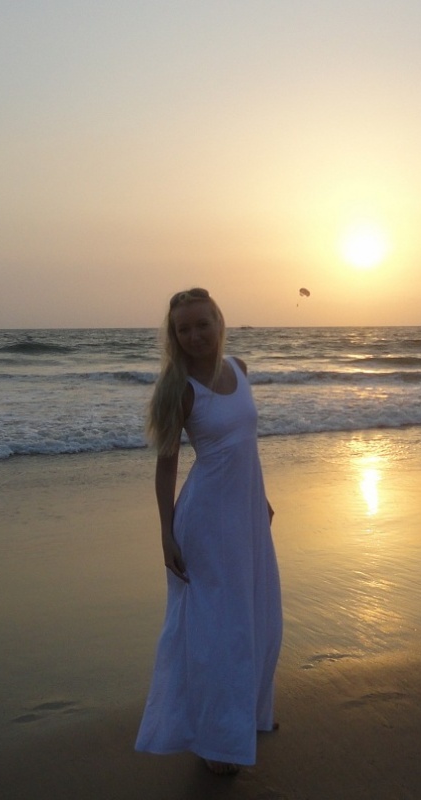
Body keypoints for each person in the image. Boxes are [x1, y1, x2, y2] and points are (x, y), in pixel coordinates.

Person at [135, 288, 282, 775]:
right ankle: (213, 739)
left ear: (220, 321)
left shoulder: (239, 368)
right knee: (218, 632)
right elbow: (166, 466)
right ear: (174, 335)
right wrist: (166, 533)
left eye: (203, 323)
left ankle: (246, 717)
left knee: (257, 617)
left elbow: (245, 445)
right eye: (184, 328)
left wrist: (260, 498)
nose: (195, 335)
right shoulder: (179, 387)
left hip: (245, 515)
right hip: (206, 519)